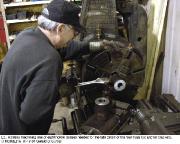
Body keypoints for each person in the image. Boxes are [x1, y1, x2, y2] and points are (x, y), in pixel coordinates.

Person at [0, 0, 98, 135]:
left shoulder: (26, 35)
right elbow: (32, 116)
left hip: (6, 120)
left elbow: (64, 49)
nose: (74, 37)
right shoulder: (50, 60)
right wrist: (57, 92)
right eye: (75, 33)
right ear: (60, 29)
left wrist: (93, 45)